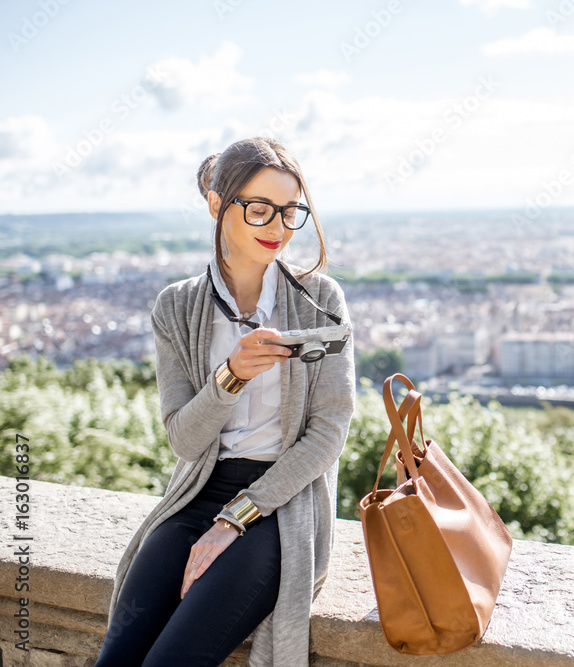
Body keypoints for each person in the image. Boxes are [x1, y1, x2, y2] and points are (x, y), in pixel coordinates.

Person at [94, 137, 356, 667]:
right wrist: (229, 377)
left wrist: (237, 517)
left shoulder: (319, 299)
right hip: (196, 495)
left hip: (280, 504)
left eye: (290, 213)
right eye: (260, 210)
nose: (278, 229)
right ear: (217, 206)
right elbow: (183, 440)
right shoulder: (179, 306)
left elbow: (329, 433)